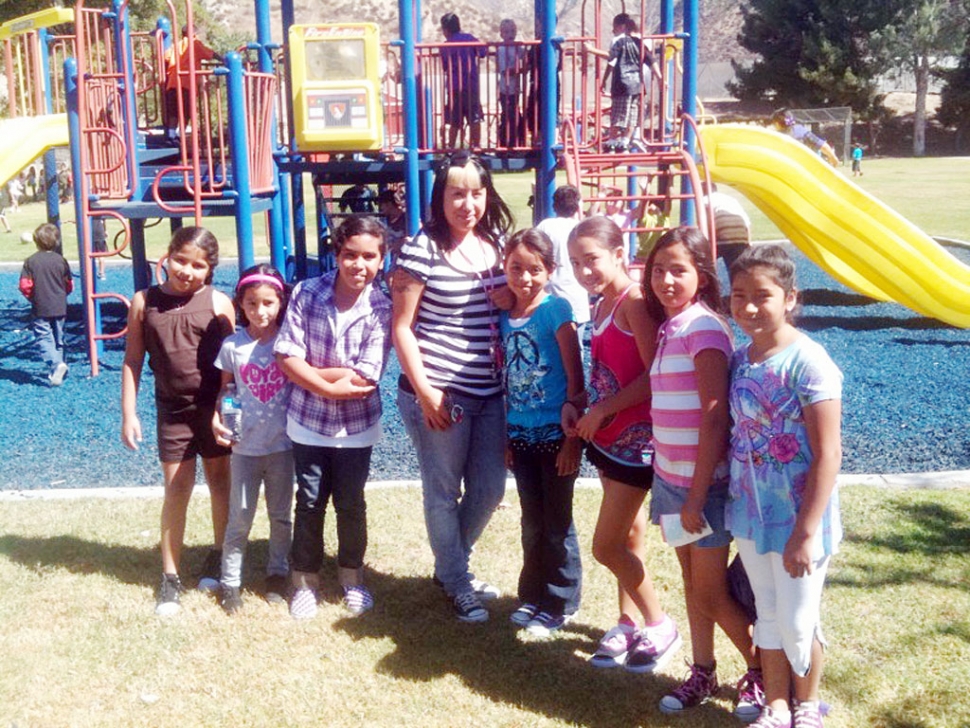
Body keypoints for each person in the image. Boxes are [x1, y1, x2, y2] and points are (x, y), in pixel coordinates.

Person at [642, 226, 763, 720]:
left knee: (710, 591)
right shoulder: (671, 326)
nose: (666, 279)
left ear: (701, 276)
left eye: (679, 270)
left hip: (702, 488)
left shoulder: (704, 328)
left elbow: (716, 416)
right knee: (693, 586)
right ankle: (703, 670)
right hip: (670, 479)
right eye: (658, 270)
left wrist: (695, 497)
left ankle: (760, 671)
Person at [392, 153, 514, 623]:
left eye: (477, 193)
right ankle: (459, 581)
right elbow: (402, 327)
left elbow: (521, 300)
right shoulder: (421, 249)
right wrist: (425, 392)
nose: (468, 203)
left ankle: (450, 565)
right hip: (440, 390)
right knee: (442, 491)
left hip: (491, 392)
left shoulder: (498, 244)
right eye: (456, 193)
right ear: (440, 197)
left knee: (488, 488)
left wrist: (510, 296)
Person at [727, 245, 843, 728]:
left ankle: (808, 705)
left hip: (799, 522)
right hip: (751, 516)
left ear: (790, 298)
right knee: (768, 614)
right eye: (738, 296)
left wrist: (806, 531)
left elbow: (828, 453)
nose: (749, 307)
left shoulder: (810, 362)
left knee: (798, 622)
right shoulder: (739, 360)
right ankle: (776, 704)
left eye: (762, 296)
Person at [566, 216, 681, 672]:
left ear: (619, 253)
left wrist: (602, 409)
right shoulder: (600, 305)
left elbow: (656, 376)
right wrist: (581, 406)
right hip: (607, 439)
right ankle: (627, 621)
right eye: (575, 263)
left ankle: (659, 623)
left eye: (592, 259)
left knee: (605, 544)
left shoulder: (634, 301)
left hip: (638, 442)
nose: (584, 271)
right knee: (629, 535)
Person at [275, 216, 392, 619]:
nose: (358, 265)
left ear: (381, 259)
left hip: (356, 427)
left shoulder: (382, 307)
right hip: (307, 420)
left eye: (369, 257)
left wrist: (308, 372)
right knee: (308, 502)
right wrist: (325, 384)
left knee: (350, 503)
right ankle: (304, 580)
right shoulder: (307, 293)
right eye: (350, 255)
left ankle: (352, 577)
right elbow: (286, 355)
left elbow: (365, 376)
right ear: (337, 253)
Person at [121, 227, 235, 615]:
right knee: (177, 489)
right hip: (171, 411)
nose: (187, 270)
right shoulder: (143, 302)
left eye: (198, 265)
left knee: (221, 481)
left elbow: (231, 370)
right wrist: (128, 412)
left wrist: (227, 412)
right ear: (166, 257)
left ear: (210, 270)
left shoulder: (219, 303)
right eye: (181, 260)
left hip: (212, 410)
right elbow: (133, 360)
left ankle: (220, 558)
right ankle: (170, 577)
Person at [501, 228, 584, 636]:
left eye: (534, 269)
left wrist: (572, 439)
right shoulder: (505, 315)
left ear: (549, 270)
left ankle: (559, 600)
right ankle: (531, 594)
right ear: (504, 267)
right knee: (531, 520)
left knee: (557, 522)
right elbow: (505, 380)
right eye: (516, 268)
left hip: (556, 433)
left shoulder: (557, 311)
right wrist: (506, 436)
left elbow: (576, 379)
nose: (525, 278)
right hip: (521, 434)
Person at [212, 264, 294, 615]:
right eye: (251, 304)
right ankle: (230, 581)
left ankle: (278, 574)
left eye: (268, 303)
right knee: (239, 517)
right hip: (245, 448)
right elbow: (226, 390)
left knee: (280, 515)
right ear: (241, 305)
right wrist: (221, 417)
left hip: (283, 447)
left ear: (280, 303)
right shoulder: (233, 345)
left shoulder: (289, 341)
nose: (260, 311)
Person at [585, 14, 660, 151]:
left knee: (618, 114)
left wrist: (591, 50)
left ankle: (612, 141)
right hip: (638, 84)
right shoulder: (641, 42)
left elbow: (610, 58)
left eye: (614, 28)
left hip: (622, 84)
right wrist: (661, 78)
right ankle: (627, 139)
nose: (613, 32)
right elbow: (652, 60)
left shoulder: (620, 41)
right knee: (633, 113)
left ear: (622, 27)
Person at [19, 223, 73, 386]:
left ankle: (56, 365)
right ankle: (59, 365)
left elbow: (25, 285)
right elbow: (69, 284)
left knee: (43, 335)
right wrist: (63, 295)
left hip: (41, 305)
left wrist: (32, 297)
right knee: (59, 336)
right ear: (56, 242)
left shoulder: (31, 262)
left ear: (36, 241)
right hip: (60, 304)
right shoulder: (61, 261)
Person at [535, 185, 590, 334]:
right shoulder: (582, 228)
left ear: (554, 205)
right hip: (577, 299)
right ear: (577, 205)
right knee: (576, 350)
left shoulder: (545, 226)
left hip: (550, 297)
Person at [164, 24, 223, 137]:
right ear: (194, 34)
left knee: (173, 111)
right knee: (186, 112)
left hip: (172, 83)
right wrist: (223, 59)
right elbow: (210, 53)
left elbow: (166, 57)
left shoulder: (176, 45)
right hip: (186, 84)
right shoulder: (195, 44)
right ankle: (181, 135)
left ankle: (170, 136)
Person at [439, 13, 486, 149]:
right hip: (471, 86)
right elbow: (483, 52)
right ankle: (476, 147)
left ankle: (451, 148)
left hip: (454, 88)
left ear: (446, 30)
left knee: (455, 120)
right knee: (475, 118)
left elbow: (445, 67)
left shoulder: (445, 46)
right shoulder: (469, 39)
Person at [705, 184, 752, 273]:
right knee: (737, 269)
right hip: (740, 235)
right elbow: (747, 222)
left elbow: (706, 221)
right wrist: (748, 243)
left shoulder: (705, 199)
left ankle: (708, 282)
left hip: (723, 233)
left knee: (705, 262)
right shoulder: (731, 200)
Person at [770, 110, 839, 167]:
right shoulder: (800, 131)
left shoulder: (775, 136)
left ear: (777, 123)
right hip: (803, 170)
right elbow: (823, 146)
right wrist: (833, 158)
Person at [496, 18, 526, 148]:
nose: (510, 34)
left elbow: (524, 59)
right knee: (508, 116)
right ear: (501, 34)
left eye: (513, 31)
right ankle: (506, 144)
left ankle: (514, 144)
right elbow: (505, 71)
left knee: (513, 115)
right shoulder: (502, 49)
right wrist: (520, 69)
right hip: (505, 89)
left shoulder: (517, 47)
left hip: (515, 88)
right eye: (507, 31)